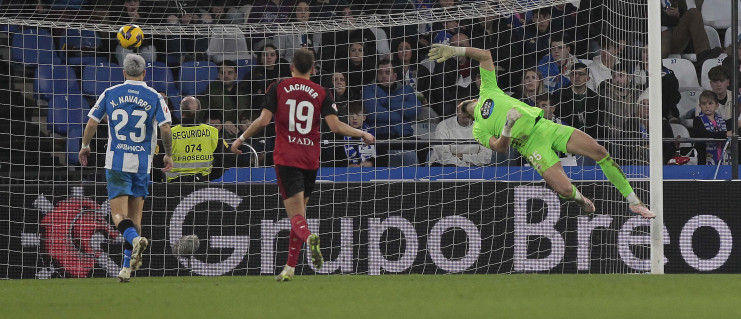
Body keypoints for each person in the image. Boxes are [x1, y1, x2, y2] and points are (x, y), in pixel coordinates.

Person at [426, 43, 655, 218]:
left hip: (545, 127)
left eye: (462, 102)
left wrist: (455, 50)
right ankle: (581, 200)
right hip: (530, 146)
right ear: (463, 114)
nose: (461, 104)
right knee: (565, 191)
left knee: (600, 151)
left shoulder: (488, 90)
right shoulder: (478, 129)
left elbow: (485, 55)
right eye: (459, 106)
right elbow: (500, 148)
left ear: (472, 98)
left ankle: (634, 201)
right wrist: (507, 127)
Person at [230, 48, 375, 281]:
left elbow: (264, 120)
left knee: (296, 217)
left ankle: (310, 238)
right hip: (310, 159)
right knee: (300, 214)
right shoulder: (322, 92)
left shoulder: (278, 86)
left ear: (291, 67)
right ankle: (290, 268)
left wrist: (241, 139)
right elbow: (336, 127)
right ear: (314, 69)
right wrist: (362, 134)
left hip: (287, 158)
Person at [78, 54, 174, 282]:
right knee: (136, 218)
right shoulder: (155, 96)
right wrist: (168, 154)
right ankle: (126, 268)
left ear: (123, 72)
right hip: (142, 164)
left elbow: (92, 121)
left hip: (117, 163)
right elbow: (166, 129)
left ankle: (133, 243)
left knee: (119, 215)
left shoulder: (110, 93)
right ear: (144, 73)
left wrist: (85, 146)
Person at [167, 96, 224, 181]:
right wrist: (211, 177)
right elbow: (224, 158)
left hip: (175, 184)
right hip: (202, 182)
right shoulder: (212, 132)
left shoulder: (169, 133)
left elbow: (158, 161)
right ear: (199, 112)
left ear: (181, 112)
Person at [429, 99, 494, 166]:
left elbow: (486, 158)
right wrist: (464, 166)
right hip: (446, 167)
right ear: (457, 110)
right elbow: (443, 156)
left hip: (473, 167)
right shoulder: (443, 126)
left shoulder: (483, 128)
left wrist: (462, 156)